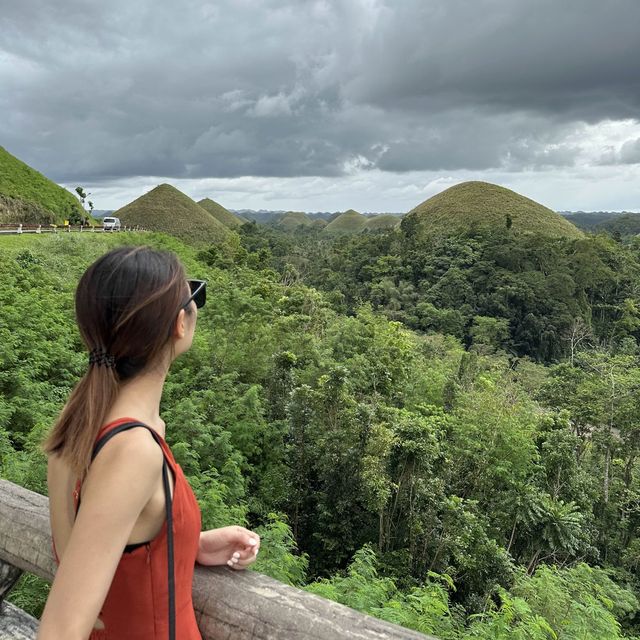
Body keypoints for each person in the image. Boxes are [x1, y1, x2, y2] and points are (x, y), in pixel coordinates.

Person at [38, 246, 260, 640]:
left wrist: (187, 543)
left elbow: (105, 548)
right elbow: (60, 629)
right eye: (195, 295)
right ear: (179, 323)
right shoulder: (132, 450)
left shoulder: (80, 423)